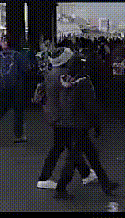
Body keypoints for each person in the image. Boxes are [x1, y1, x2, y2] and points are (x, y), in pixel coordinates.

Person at [51, 54, 119, 200]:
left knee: (91, 155)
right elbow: (91, 106)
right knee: (74, 159)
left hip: (70, 124)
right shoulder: (84, 83)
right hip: (80, 126)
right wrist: (97, 125)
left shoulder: (68, 82)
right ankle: (60, 188)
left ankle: (105, 183)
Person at [36, 47, 97, 190]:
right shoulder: (64, 76)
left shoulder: (50, 73)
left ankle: (86, 173)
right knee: (61, 148)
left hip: (54, 116)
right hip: (63, 118)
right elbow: (68, 98)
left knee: (68, 146)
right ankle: (44, 178)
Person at [0, 34, 32, 144]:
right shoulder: (18, 55)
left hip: (2, 87)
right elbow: (26, 69)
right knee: (18, 112)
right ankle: (19, 135)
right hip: (17, 88)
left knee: (1, 110)